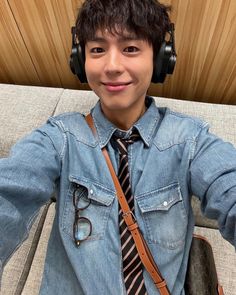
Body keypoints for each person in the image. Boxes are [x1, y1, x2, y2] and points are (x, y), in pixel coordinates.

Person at [0, 0, 235, 294]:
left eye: (131, 49)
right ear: (80, 60)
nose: (112, 66)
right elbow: (9, 190)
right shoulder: (59, 137)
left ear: (160, 59)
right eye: (97, 50)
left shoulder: (191, 140)